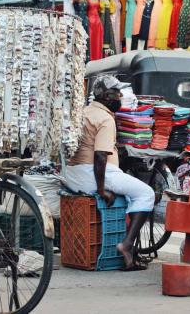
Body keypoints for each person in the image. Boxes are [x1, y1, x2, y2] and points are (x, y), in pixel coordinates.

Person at [65, 75, 155, 271]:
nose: (120, 96)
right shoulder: (105, 119)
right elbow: (100, 157)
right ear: (107, 96)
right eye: (117, 93)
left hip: (73, 174)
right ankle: (127, 245)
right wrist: (101, 189)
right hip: (91, 174)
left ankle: (125, 247)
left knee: (129, 191)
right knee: (146, 193)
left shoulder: (84, 112)